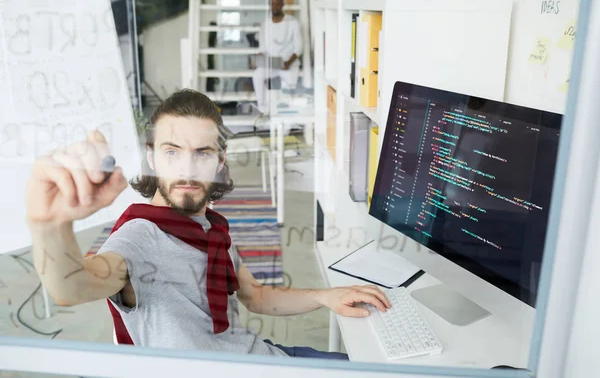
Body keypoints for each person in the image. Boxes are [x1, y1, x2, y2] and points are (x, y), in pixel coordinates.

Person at [26, 89, 391, 360]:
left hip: (261, 358)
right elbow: (71, 286)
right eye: (172, 152)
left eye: (202, 153)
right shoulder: (139, 237)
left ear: (220, 161)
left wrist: (326, 297)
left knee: (377, 366)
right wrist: (48, 223)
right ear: (152, 159)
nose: (187, 169)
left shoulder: (212, 228)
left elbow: (256, 296)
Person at [252, 0, 303, 109]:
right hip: (272, 64)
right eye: (272, 4)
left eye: (277, 4)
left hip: (289, 64)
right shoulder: (265, 24)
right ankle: (263, 108)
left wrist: (288, 63)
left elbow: (299, 48)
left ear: (282, 4)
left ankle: (288, 119)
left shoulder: (293, 22)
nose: (274, 7)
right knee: (257, 74)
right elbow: (262, 49)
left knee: (287, 95)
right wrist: (256, 60)